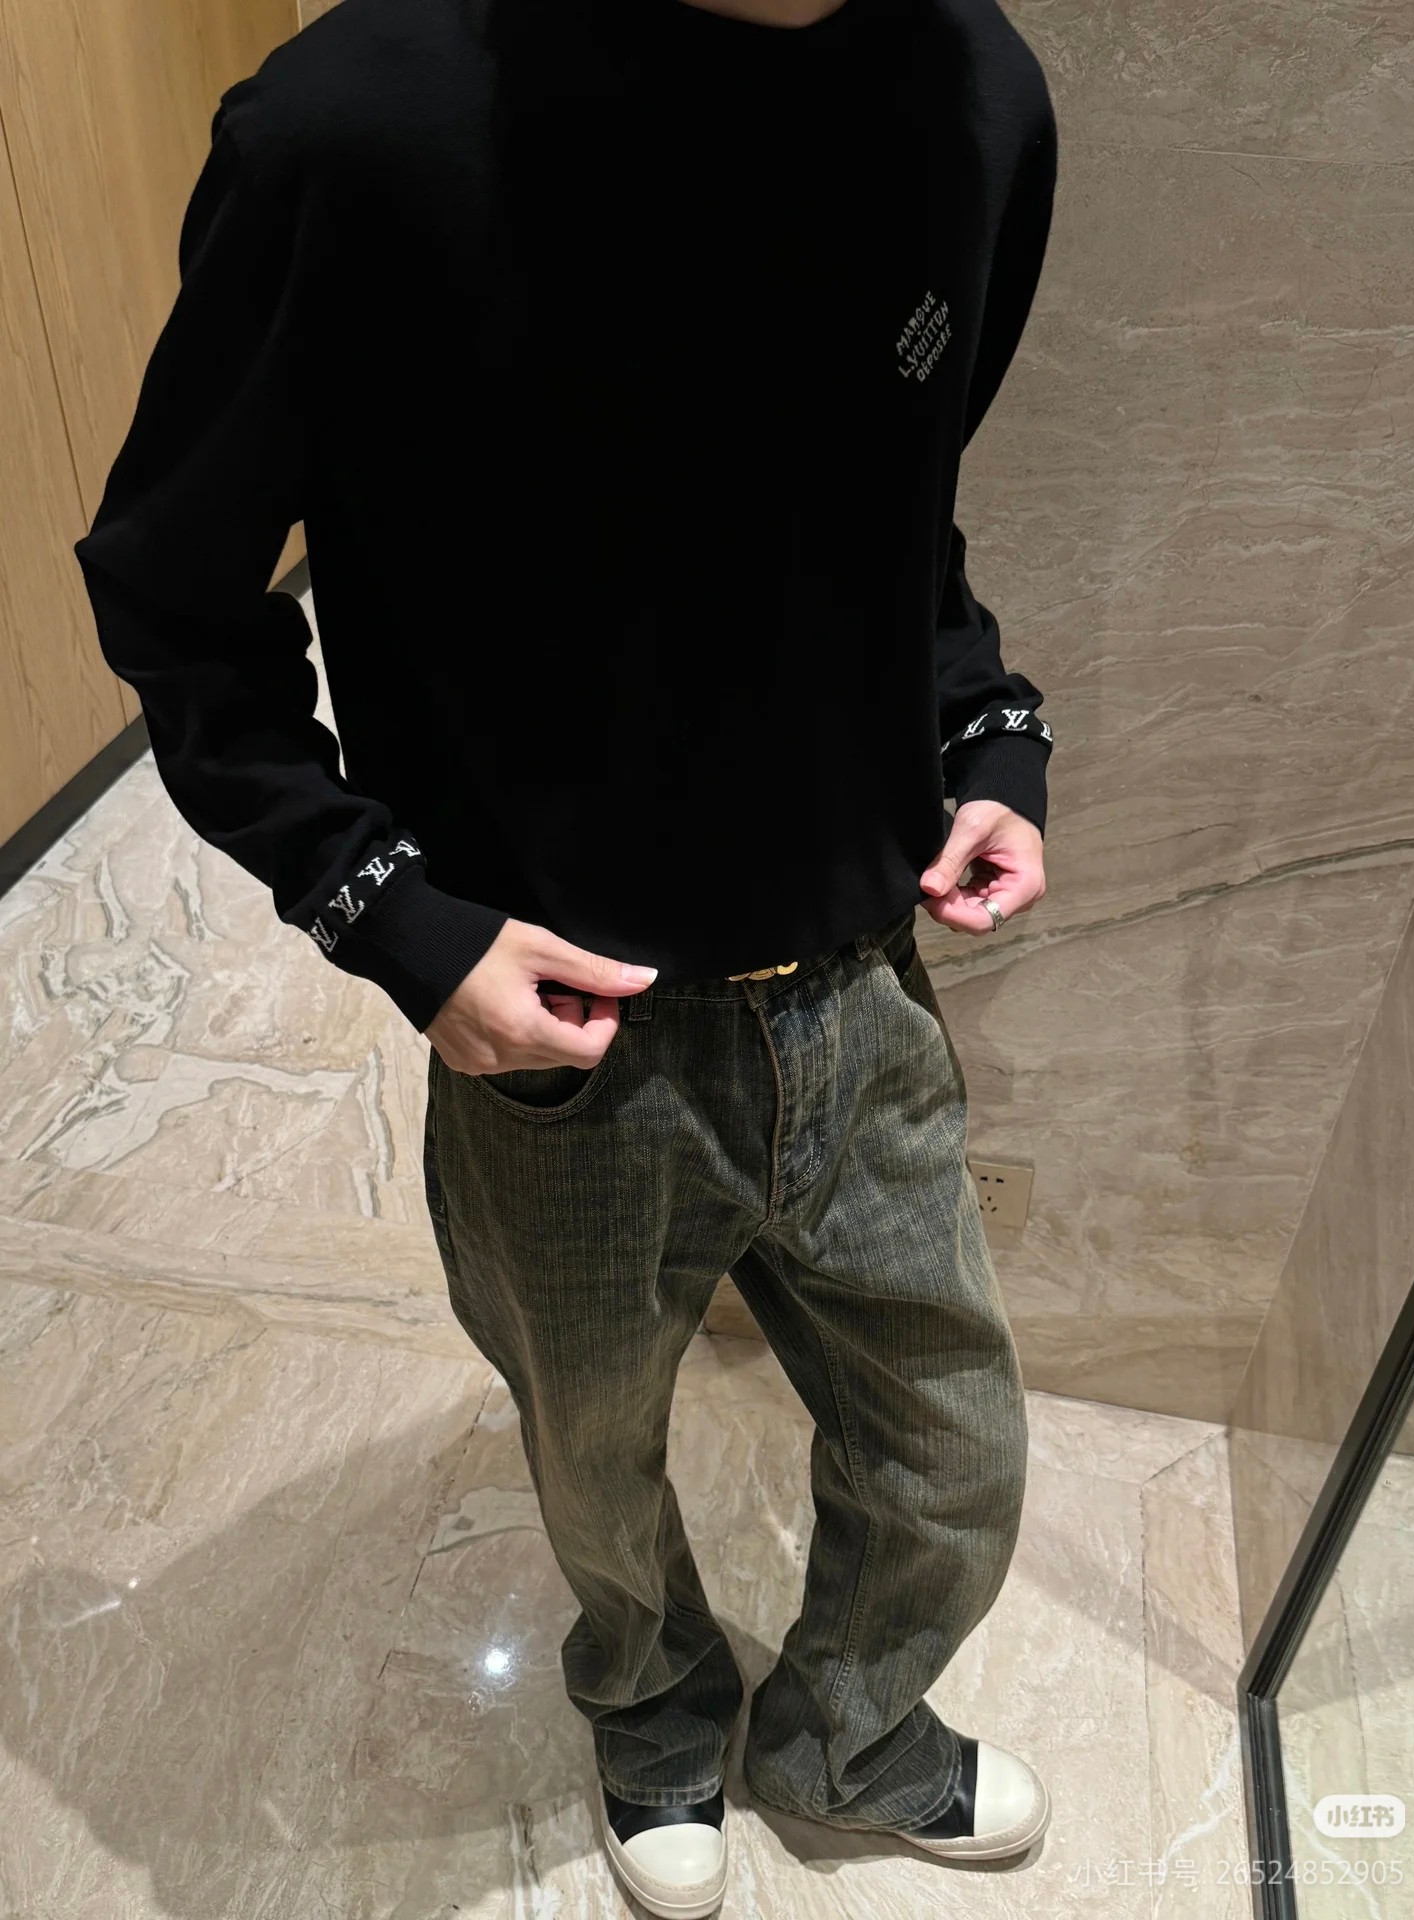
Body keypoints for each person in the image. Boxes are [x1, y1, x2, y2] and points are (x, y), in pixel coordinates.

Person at [74, 0, 1058, 1911]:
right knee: (595, 1458)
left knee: (955, 1445)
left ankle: (851, 1733)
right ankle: (651, 1705)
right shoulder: (352, 124)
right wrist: (391, 915)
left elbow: (895, 515)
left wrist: (982, 732)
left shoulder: (978, 93)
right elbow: (177, 597)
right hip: (564, 1041)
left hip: (863, 992)